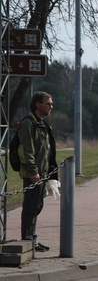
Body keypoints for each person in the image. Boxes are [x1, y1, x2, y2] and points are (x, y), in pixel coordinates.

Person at [18, 91, 58, 252]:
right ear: (37, 104)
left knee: (37, 205)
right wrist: (33, 171)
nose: (51, 107)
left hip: (42, 173)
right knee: (31, 206)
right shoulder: (29, 123)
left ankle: (32, 238)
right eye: (48, 103)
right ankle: (27, 239)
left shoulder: (42, 124)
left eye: (51, 104)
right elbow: (27, 150)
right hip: (33, 173)